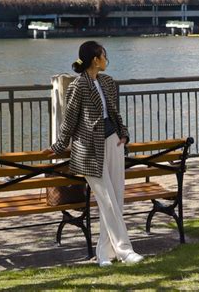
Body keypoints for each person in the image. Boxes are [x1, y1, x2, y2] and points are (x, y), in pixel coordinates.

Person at [44, 40, 144, 266]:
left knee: (115, 200)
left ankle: (103, 254)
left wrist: (124, 134)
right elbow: (69, 121)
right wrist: (59, 146)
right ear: (95, 60)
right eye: (104, 55)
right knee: (107, 201)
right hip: (89, 150)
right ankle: (126, 251)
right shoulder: (78, 86)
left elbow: (115, 113)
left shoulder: (108, 81)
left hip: (114, 143)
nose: (107, 59)